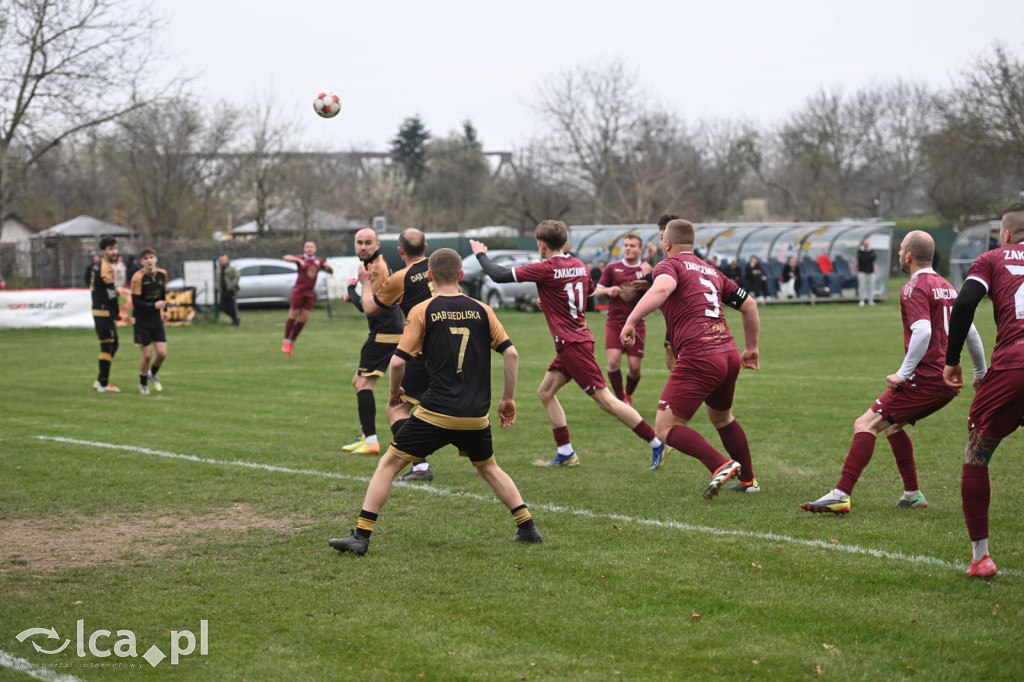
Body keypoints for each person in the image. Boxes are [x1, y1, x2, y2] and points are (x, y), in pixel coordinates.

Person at [329, 248, 540, 555]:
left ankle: (361, 536)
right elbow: (511, 353)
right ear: (462, 276)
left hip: (437, 413)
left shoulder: (423, 310)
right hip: (475, 415)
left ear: (428, 277)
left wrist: (393, 395)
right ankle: (528, 527)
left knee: (388, 465)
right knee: (489, 467)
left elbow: (398, 363)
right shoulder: (483, 309)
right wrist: (508, 399)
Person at [801, 231, 986, 515]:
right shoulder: (949, 287)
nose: (899, 255)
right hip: (947, 382)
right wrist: (980, 373)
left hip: (925, 378)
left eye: (901, 251)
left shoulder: (914, 287)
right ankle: (912, 493)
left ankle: (840, 494)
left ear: (909, 256)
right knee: (892, 425)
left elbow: (922, 331)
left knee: (864, 424)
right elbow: (970, 332)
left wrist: (903, 373)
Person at [471, 221, 668, 470]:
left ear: (542, 244)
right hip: (576, 339)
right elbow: (588, 300)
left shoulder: (545, 268)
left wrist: (480, 253)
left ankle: (656, 442)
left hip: (573, 343)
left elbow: (498, 275)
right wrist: (553, 303)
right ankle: (565, 452)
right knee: (545, 392)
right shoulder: (580, 266)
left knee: (606, 401)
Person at [621, 219, 761, 497]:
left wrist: (631, 320)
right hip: (728, 353)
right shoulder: (712, 271)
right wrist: (752, 348)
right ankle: (748, 480)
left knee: (666, 427)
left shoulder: (669, 265)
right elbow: (750, 305)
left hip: (700, 355)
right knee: (722, 417)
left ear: (667, 244)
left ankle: (719, 463)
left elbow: (661, 289)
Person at [943, 202, 1024, 578]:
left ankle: (981, 557)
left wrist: (951, 358)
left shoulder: (991, 258)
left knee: (977, 454)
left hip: (1013, 366)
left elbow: (964, 304)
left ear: (1005, 233)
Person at [356, 228, 436, 481]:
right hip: (455, 347)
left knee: (396, 410)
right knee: (447, 406)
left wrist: (364, 284)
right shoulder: (441, 267)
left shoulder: (400, 277)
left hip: (424, 351)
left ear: (400, 251)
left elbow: (370, 308)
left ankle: (421, 466)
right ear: (426, 248)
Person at [341, 228, 404, 455]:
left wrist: (351, 289)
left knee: (363, 384)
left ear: (377, 245)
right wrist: (356, 295)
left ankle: (371, 442)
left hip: (385, 333)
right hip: (387, 331)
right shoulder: (371, 265)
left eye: (368, 242)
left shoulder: (377, 268)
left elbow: (371, 309)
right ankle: (368, 438)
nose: (363, 247)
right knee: (358, 382)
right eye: (359, 243)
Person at [595, 232, 653, 406]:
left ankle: (629, 394)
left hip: (637, 323)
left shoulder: (645, 269)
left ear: (640, 249)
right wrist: (607, 291)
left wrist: (648, 283)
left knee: (635, 368)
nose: (627, 248)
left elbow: (657, 291)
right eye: (626, 245)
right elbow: (596, 291)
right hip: (614, 322)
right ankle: (621, 400)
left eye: (632, 246)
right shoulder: (612, 268)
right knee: (613, 362)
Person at [281, 241, 333, 355]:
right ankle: (286, 342)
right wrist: (298, 260)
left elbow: (330, 271)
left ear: (315, 249)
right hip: (298, 291)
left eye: (312, 247)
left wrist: (329, 268)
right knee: (293, 314)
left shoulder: (319, 261)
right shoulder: (301, 258)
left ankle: (291, 342)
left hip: (310, 293)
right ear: (304, 249)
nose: (309, 249)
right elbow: (285, 257)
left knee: (303, 319)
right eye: (307, 247)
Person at [130, 248, 169, 395]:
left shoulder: (162, 274)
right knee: (147, 355)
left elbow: (163, 292)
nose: (149, 260)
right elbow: (136, 302)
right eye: (146, 258)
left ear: (156, 259)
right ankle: (143, 384)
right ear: (142, 262)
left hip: (155, 319)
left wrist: (164, 310)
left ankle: (152, 374)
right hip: (141, 320)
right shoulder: (138, 277)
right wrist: (153, 305)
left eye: (151, 257)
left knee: (162, 353)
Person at [89, 236, 123, 392]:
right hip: (103, 311)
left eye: (115, 248)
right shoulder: (106, 266)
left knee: (113, 343)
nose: (114, 252)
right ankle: (103, 384)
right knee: (107, 346)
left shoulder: (98, 265)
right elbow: (110, 293)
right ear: (103, 251)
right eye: (110, 249)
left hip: (100, 309)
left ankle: (100, 380)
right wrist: (116, 311)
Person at [217, 254, 240, 326]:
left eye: (224, 260)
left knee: (232, 306)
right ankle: (234, 318)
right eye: (221, 260)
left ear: (227, 260)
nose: (222, 262)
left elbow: (237, 276)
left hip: (231, 290)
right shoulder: (218, 269)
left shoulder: (231, 268)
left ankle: (235, 320)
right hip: (223, 291)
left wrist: (233, 285)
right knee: (222, 307)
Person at [857, 239, 876, 306]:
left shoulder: (871, 250)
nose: (866, 245)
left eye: (867, 244)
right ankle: (862, 300)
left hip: (871, 271)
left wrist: (867, 258)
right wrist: (868, 258)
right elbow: (862, 260)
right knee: (862, 286)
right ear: (863, 244)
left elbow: (874, 257)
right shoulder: (860, 251)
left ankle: (870, 300)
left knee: (871, 286)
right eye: (865, 244)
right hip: (862, 271)